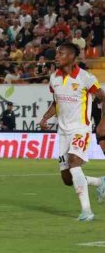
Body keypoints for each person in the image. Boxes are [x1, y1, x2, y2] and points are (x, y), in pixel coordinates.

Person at [38, 42, 105, 222]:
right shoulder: (54, 78)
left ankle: (87, 211)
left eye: (60, 53)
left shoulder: (85, 78)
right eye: (57, 53)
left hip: (80, 129)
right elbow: (56, 103)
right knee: (68, 178)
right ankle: (100, 182)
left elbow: (103, 98)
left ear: (71, 57)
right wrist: (45, 118)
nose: (56, 57)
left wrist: (102, 122)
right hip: (63, 132)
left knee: (74, 164)